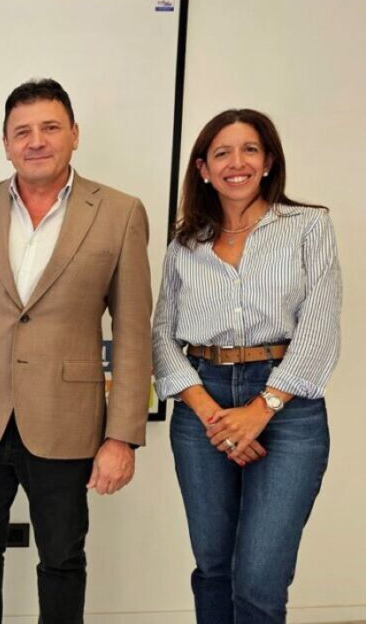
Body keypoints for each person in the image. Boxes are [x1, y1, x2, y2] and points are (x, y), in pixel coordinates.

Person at [0, 78, 152, 624]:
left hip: (66, 419)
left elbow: (133, 332)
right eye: (22, 132)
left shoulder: (120, 212)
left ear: (75, 134)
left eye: (50, 127)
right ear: (5, 144)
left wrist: (122, 436)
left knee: (63, 558)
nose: (36, 141)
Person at [152, 109, 341, 623]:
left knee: (258, 579)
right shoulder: (184, 246)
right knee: (214, 569)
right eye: (222, 153)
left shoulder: (309, 227)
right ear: (203, 169)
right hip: (202, 403)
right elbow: (162, 336)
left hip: (289, 408)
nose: (237, 163)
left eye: (250, 150)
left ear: (269, 161)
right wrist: (214, 416)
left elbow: (319, 327)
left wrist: (261, 409)